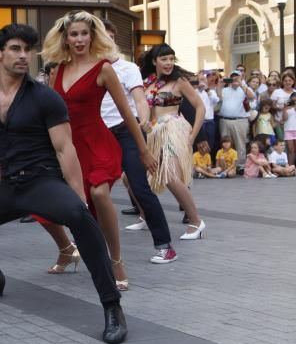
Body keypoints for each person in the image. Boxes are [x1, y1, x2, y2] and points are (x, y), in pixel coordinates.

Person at [0, 24, 128, 344]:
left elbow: (66, 149)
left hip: (43, 182)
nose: (24, 55)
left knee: (82, 218)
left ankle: (112, 306)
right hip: (10, 187)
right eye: (15, 49)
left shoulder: (44, 97)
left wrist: (77, 196)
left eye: (27, 49)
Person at [41, 11, 155, 290]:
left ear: (92, 36)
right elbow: (49, 114)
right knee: (45, 206)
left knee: (99, 192)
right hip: (69, 147)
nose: (79, 39)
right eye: (74, 34)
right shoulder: (57, 70)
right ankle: (68, 249)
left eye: (84, 33)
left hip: (97, 141)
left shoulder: (104, 68)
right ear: (65, 39)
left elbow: (127, 113)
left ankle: (116, 260)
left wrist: (143, 150)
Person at [97, 18, 177, 266]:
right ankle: (89, 246)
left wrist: (143, 121)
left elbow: (140, 99)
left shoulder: (128, 68)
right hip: (98, 134)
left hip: (126, 131)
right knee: (96, 191)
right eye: (101, 36)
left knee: (140, 188)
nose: (105, 41)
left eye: (109, 36)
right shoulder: (89, 69)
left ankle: (164, 245)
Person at [139, 44, 207, 240]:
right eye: (164, 59)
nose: (169, 63)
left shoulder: (179, 81)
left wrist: (193, 135)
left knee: (169, 175)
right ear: (154, 62)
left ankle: (196, 221)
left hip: (174, 129)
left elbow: (200, 107)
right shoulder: (147, 84)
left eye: (171, 59)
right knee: (131, 177)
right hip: (154, 133)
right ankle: (144, 216)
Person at [219, 70, 255, 169]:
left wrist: (241, 83)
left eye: (237, 77)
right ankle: (226, 165)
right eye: (232, 77)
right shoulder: (225, 90)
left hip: (240, 120)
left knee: (240, 144)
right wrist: (220, 84)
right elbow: (218, 98)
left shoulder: (244, 89)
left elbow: (252, 97)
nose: (234, 79)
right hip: (225, 120)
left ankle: (240, 166)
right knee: (225, 144)